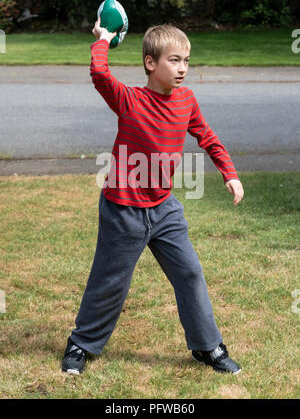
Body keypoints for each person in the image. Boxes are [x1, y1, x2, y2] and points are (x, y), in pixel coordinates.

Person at [61, 21, 244, 375]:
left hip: (164, 210)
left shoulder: (187, 101)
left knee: (189, 273)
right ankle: (80, 344)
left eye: (186, 61)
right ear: (150, 63)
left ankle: (208, 347)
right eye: (174, 61)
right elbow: (100, 73)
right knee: (110, 281)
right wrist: (104, 39)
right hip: (123, 210)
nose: (183, 69)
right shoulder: (129, 99)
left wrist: (230, 174)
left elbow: (207, 137)